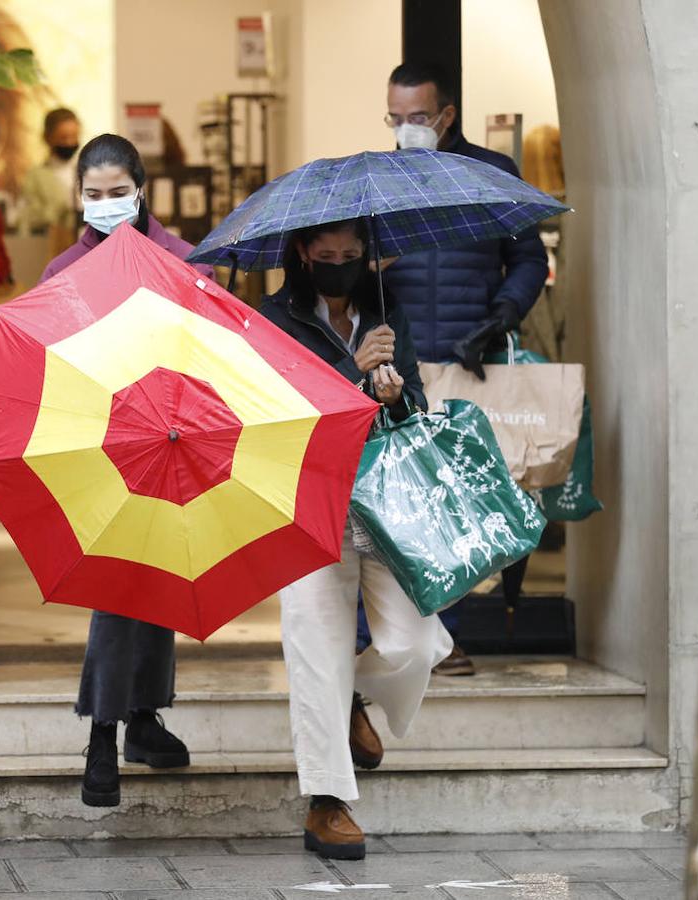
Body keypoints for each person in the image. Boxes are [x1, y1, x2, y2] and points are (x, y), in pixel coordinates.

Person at [260, 217, 452, 861]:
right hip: (308, 504)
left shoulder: (384, 310)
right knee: (316, 650)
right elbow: (278, 417)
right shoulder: (273, 318)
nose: (340, 264)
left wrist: (395, 397)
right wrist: (352, 371)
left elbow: (415, 406)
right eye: (327, 255)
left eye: (351, 255)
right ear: (302, 255)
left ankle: (352, 698)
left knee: (416, 642)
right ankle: (326, 805)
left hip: (385, 503)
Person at [40, 134, 214, 808]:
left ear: (141, 189)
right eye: (93, 194)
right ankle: (103, 732)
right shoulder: (63, 271)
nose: (105, 204)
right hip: (96, 444)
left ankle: (141, 718)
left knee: (160, 578)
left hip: (173, 438)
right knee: (116, 585)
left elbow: (207, 346)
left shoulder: (180, 261)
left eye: (117, 192)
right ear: (76, 196)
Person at [382, 61, 549, 676]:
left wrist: (502, 316)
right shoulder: (380, 183)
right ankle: (399, 637)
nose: (406, 130)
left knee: (457, 502)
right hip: (396, 363)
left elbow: (528, 258)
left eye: (418, 118)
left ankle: (447, 637)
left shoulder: (491, 174)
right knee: (397, 502)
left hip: (466, 359)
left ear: (446, 116)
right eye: (395, 119)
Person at [21, 108, 80, 238]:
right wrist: (63, 207)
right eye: (63, 138)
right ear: (48, 137)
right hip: (53, 244)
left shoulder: (86, 171)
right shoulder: (36, 176)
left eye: (74, 137)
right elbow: (32, 218)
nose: (69, 143)